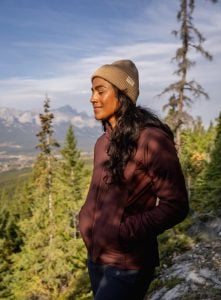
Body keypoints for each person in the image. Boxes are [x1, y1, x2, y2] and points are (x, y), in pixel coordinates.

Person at [78, 59, 189, 300]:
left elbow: (176, 205)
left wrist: (124, 231)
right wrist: (84, 219)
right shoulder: (102, 143)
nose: (92, 98)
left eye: (100, 91)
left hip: (128, 264)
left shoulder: (151, 140)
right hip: (96, 258)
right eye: (92, 91)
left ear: (123, 94)